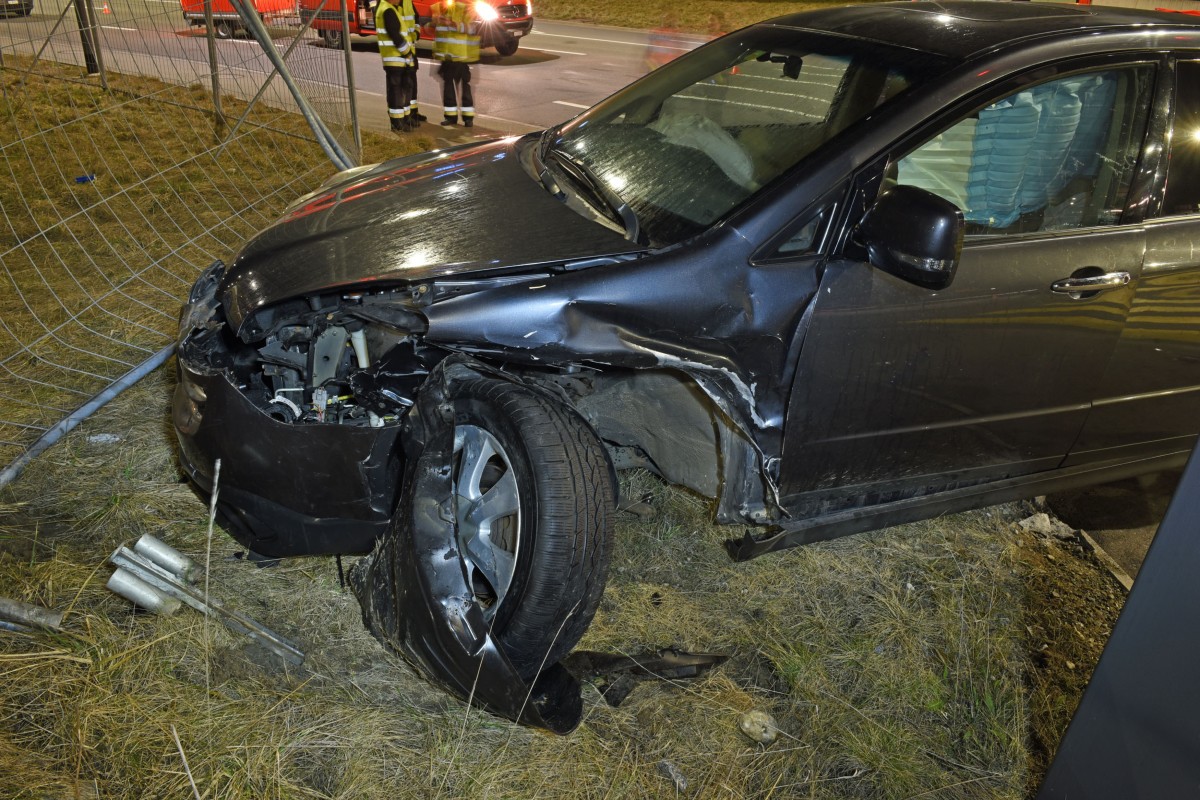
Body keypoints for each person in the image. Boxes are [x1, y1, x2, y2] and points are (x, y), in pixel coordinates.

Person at [429, 0, 480, 127]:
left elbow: (474, 29)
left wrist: (453, 24)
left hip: (461, 57)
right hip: (446, 57)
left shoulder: (464, 9)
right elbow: (432, 30)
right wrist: (432, 23)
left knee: (464, 86)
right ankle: (451, 117)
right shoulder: (437, 9)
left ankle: (468, 118)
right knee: (448, 87)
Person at [376, 0, 419, 132]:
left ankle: (404, 120)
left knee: (403, 89)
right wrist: (408, 52)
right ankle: (397, 123)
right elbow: (395, 36)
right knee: (396, 91)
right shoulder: (388, 10)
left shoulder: (391, 8)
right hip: (395, 58)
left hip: (398, 58)